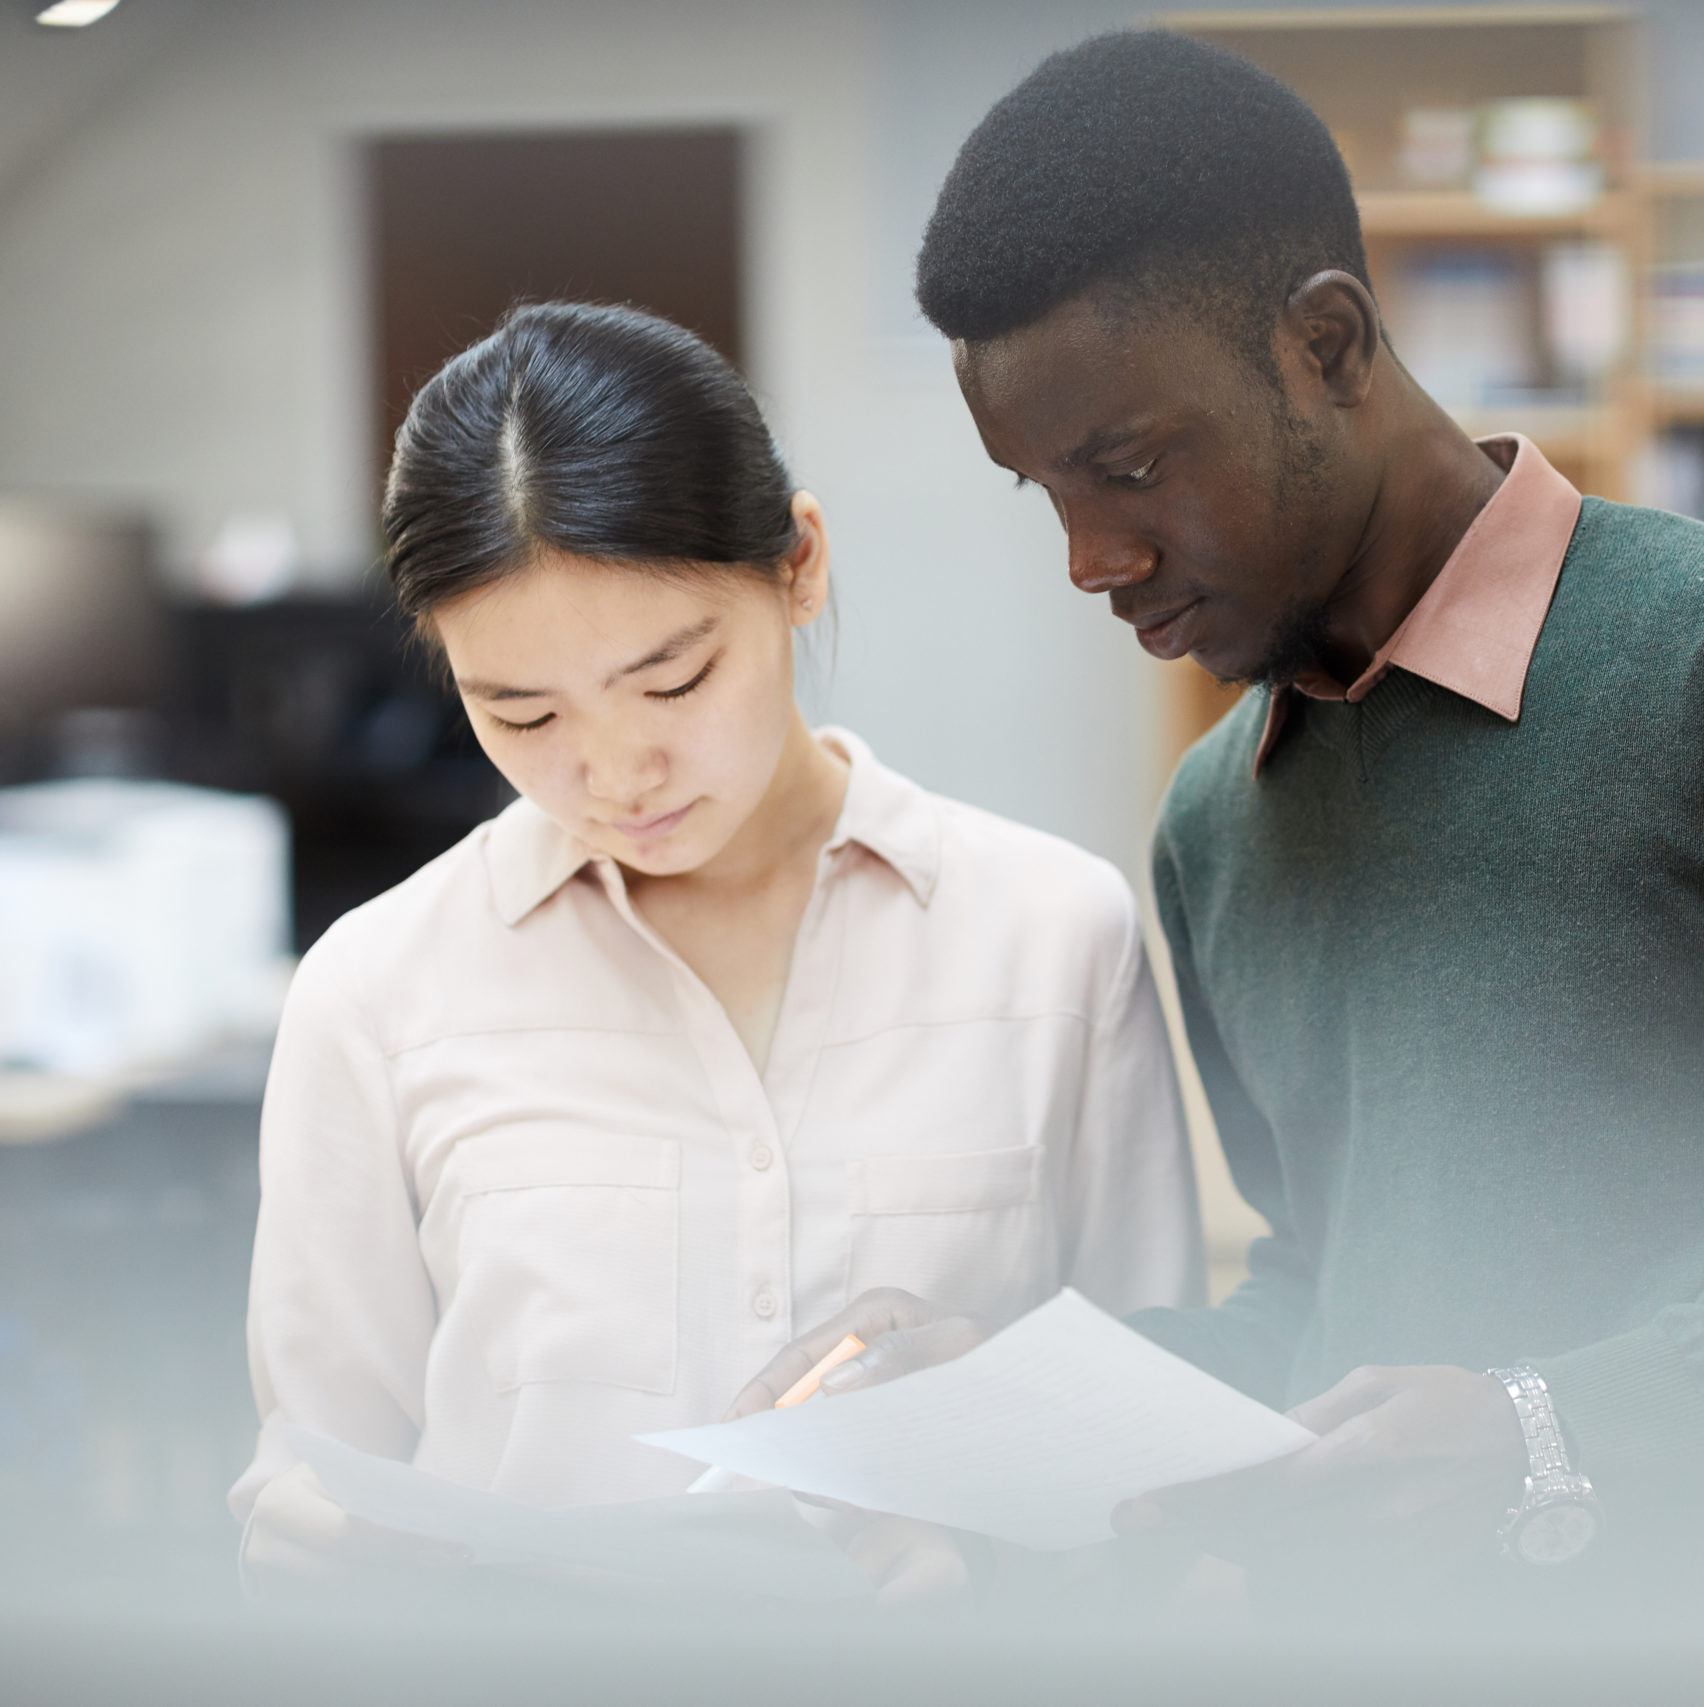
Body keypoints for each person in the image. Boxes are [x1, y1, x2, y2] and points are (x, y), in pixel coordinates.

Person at [749, 31, 1704, 1620]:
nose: (1089, 559)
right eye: (1044, 493)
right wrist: (1002, 1398)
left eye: (1127, 468)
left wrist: (1556, 1433)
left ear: (1325, 347)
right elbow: (1325, 1291)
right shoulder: (1217, 816)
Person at [227, 302, 1202, 1601]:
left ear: (798, 566)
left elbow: (1161, 1471)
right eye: (519, 711)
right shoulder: (377, 993)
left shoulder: (1050, 940)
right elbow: (316, 1472)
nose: (615, 770)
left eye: (674, 681)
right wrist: (303, 1548)